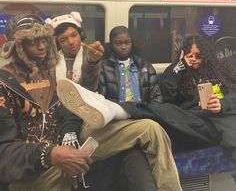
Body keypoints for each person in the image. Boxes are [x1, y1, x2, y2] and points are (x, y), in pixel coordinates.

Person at [60, 35, 236, 162]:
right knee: (154, 126)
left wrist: (221, 104)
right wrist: (178, 68)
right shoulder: (179, 72)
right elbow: (166, 94)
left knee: (166, 112)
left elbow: (233, 97)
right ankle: (111, 111)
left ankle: (113, 109)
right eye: (190, 56)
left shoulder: (219, 74)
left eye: (199, 56)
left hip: (212, 124)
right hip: (187, 120)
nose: (195, 60)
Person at [48, 15, 165, 191]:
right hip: (83, 121)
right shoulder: (49, 65)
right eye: (63, 39)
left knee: (150, 131)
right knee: (146, 133)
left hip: (122, 115)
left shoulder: (140, 66)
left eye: (74, 35)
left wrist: (93, 61)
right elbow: (93, 94)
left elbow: (89, 82)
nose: (71, 42)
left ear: (81, 35)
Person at [0, 14, 91, 191]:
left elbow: (65, 108)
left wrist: (68, 133)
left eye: (44, 40)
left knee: (145, 129)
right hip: (27, 172)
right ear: (17, 47)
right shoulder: (4, 84)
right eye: (33, 42)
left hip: (57, 154)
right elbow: (4, 151)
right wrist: (48, 154)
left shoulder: (49, 74)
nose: (42, 47)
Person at [98, 25, 163, 103]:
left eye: (127, 43)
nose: (124, 47)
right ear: (111, 45)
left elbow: (156, 97)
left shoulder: (144, 66)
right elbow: (100, 99)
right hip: (116, 112)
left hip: (143, 112)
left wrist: (150, 113)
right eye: (118, 43)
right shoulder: (103, 68)